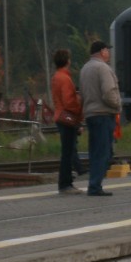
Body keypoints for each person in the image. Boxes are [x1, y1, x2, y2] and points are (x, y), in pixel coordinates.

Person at [79, 40, 121, 197]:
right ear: (102, 51)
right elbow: (109, 92)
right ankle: (95, 186)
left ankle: (94, 183)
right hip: (103, 114)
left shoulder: (85, 68)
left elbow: (81, 94)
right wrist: (117, 105)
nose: (109, 53)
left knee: (95, 151)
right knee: (103, 152)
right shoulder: (103, 68)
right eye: (107, 51)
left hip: (90, 114)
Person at [51, 49, 84, 195]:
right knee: (68, 153)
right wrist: (79, 104)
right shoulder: (65, 78)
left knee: (67, 152)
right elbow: (68, 101)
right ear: (68, 61)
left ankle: (66, 183)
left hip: (60, 116)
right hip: (67, 118)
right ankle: (65, 185)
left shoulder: (56, 77)